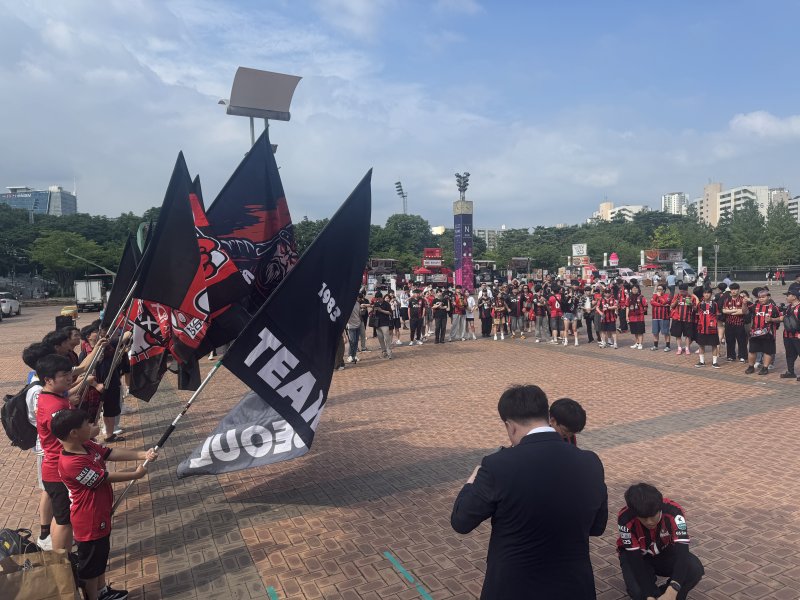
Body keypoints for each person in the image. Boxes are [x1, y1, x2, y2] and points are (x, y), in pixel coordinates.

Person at [451, 385, 607, 600]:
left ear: (510, 426)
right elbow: (597, 527)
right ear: (547, 416)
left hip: (513, 588)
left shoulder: (497, 466)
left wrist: (472, 481)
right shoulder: (590, 462)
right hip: (573, 587)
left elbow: (461, 521)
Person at [53, 408, 157, 600]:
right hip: (89, 520)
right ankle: (93, 597)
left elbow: (110, 452)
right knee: (90, 566)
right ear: (73, 433)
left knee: (100, 558)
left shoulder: (87, 445)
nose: (93, 426)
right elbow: (102, 478)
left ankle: (102, 592)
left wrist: (142, 455)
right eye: (88, 424)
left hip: (100, 513)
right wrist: (135, 475)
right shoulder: (70, 463)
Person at [36, 353, 88, 551]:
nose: (69, 378)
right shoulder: (54, 405)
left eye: (69, 373)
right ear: (48, 380)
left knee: (64, 516)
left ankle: (63, 556)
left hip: (59, 466)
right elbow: (70, 436)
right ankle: (62, 562)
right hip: (59, 469)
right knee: (63, 519)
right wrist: (89, 432)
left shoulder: (55, 397)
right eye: (64, 375)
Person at [617, 483, 704, 600]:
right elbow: (635, 561)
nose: (649, 522)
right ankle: (653, 595)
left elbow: (682, 554)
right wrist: (648, 595)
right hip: (637, 556)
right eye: (643, 518)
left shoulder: (674, 512)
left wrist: (673, 590)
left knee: (694, 568)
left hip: (664, 552)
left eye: (653, 516)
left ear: (660, 507)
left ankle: (665, 595)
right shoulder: (624, 518)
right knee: (638, 592)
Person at [22, 343, 56, 550]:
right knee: (48, 490)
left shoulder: (37, 382)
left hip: (48, 444)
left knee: (51, 489)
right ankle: (45, 534)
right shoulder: (36, 389)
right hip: (46, 446)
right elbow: (42, 417)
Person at [745, 288, 780, 375]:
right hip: (755, 333)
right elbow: (745, 312)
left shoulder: (774, 308)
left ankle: (765, 368)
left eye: (763, 297)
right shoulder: (754, 306)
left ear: (768, 297)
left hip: (769, 333)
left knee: (767, 351)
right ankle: (750, 367)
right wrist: (744, 304)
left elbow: (780, 319)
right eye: (759, 297)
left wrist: (772, 319)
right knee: (752, 350)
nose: (761, 299)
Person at [694, 288, 721, 369]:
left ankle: (715, 362)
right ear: (703, 294)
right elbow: (697, 313)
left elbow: (717, 314)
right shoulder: (699, 304)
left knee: (714, 345)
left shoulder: (714, 304)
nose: (706, 294)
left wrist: (713, 322)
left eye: (708, 293)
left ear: (711, 294)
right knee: (701, 345)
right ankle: (702, 361)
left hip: (712, 328)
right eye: (705, 293)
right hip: (702, 328)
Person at [778, 284, 800, 380]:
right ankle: (790, 372)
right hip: (787, 335)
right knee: (790, 354)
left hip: (797, 335)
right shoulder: (788, 307)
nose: (786, 297)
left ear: (794, 296)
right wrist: (771, 319)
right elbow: (783, 318)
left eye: (788, 295)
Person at [669, 284, 696, 356]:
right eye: (681, 291)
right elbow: (671, 306)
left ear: (687, 290)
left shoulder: (691, 297)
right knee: (678, 334)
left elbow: (695, 309)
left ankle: (687, 348)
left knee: (688, 335)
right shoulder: (677, 296)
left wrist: (691, 304)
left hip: (687, 319)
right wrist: (676, 302)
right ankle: (679, 348)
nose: (682, 293)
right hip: (677, 318)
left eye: (684, 291)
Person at [371, 291, 393, 359]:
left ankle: (389, 352)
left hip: (385, 323)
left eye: (378, 298)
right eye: (376, 299)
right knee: (380, 338)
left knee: (387, 338)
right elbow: (373, 314)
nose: (377, 300)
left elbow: (390, 313)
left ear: (381, 297)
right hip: (377, 324)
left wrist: (381, 310)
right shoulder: (376, 304)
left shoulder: (386, 304)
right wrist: (374, 311)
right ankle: (384, 351)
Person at [650, 284, 671, 351]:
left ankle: (667, 346)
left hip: (664, 317)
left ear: (664, 290)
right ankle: (655, 345)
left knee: (666, 332)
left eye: (660, 289)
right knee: (655, 332)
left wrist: (659, 297)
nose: (658, 291)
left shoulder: (667, 296)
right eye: (658, 289)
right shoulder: (654, 295)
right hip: (655, 317)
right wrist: (661, 305)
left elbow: (665, 302)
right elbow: (652, 302)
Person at [626, 284, 648, 350]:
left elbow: (646, 306)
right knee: (635, 331)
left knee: (640, 331)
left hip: (639, 318)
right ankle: (637, 343)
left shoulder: (641, 297)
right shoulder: (629, 298)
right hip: (632, 317)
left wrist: (640, 312)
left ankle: (640, 344)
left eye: (636, 289)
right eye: (633, 289)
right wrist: (627, 316)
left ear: (638, 289)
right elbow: (627, 307)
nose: (634, 290)